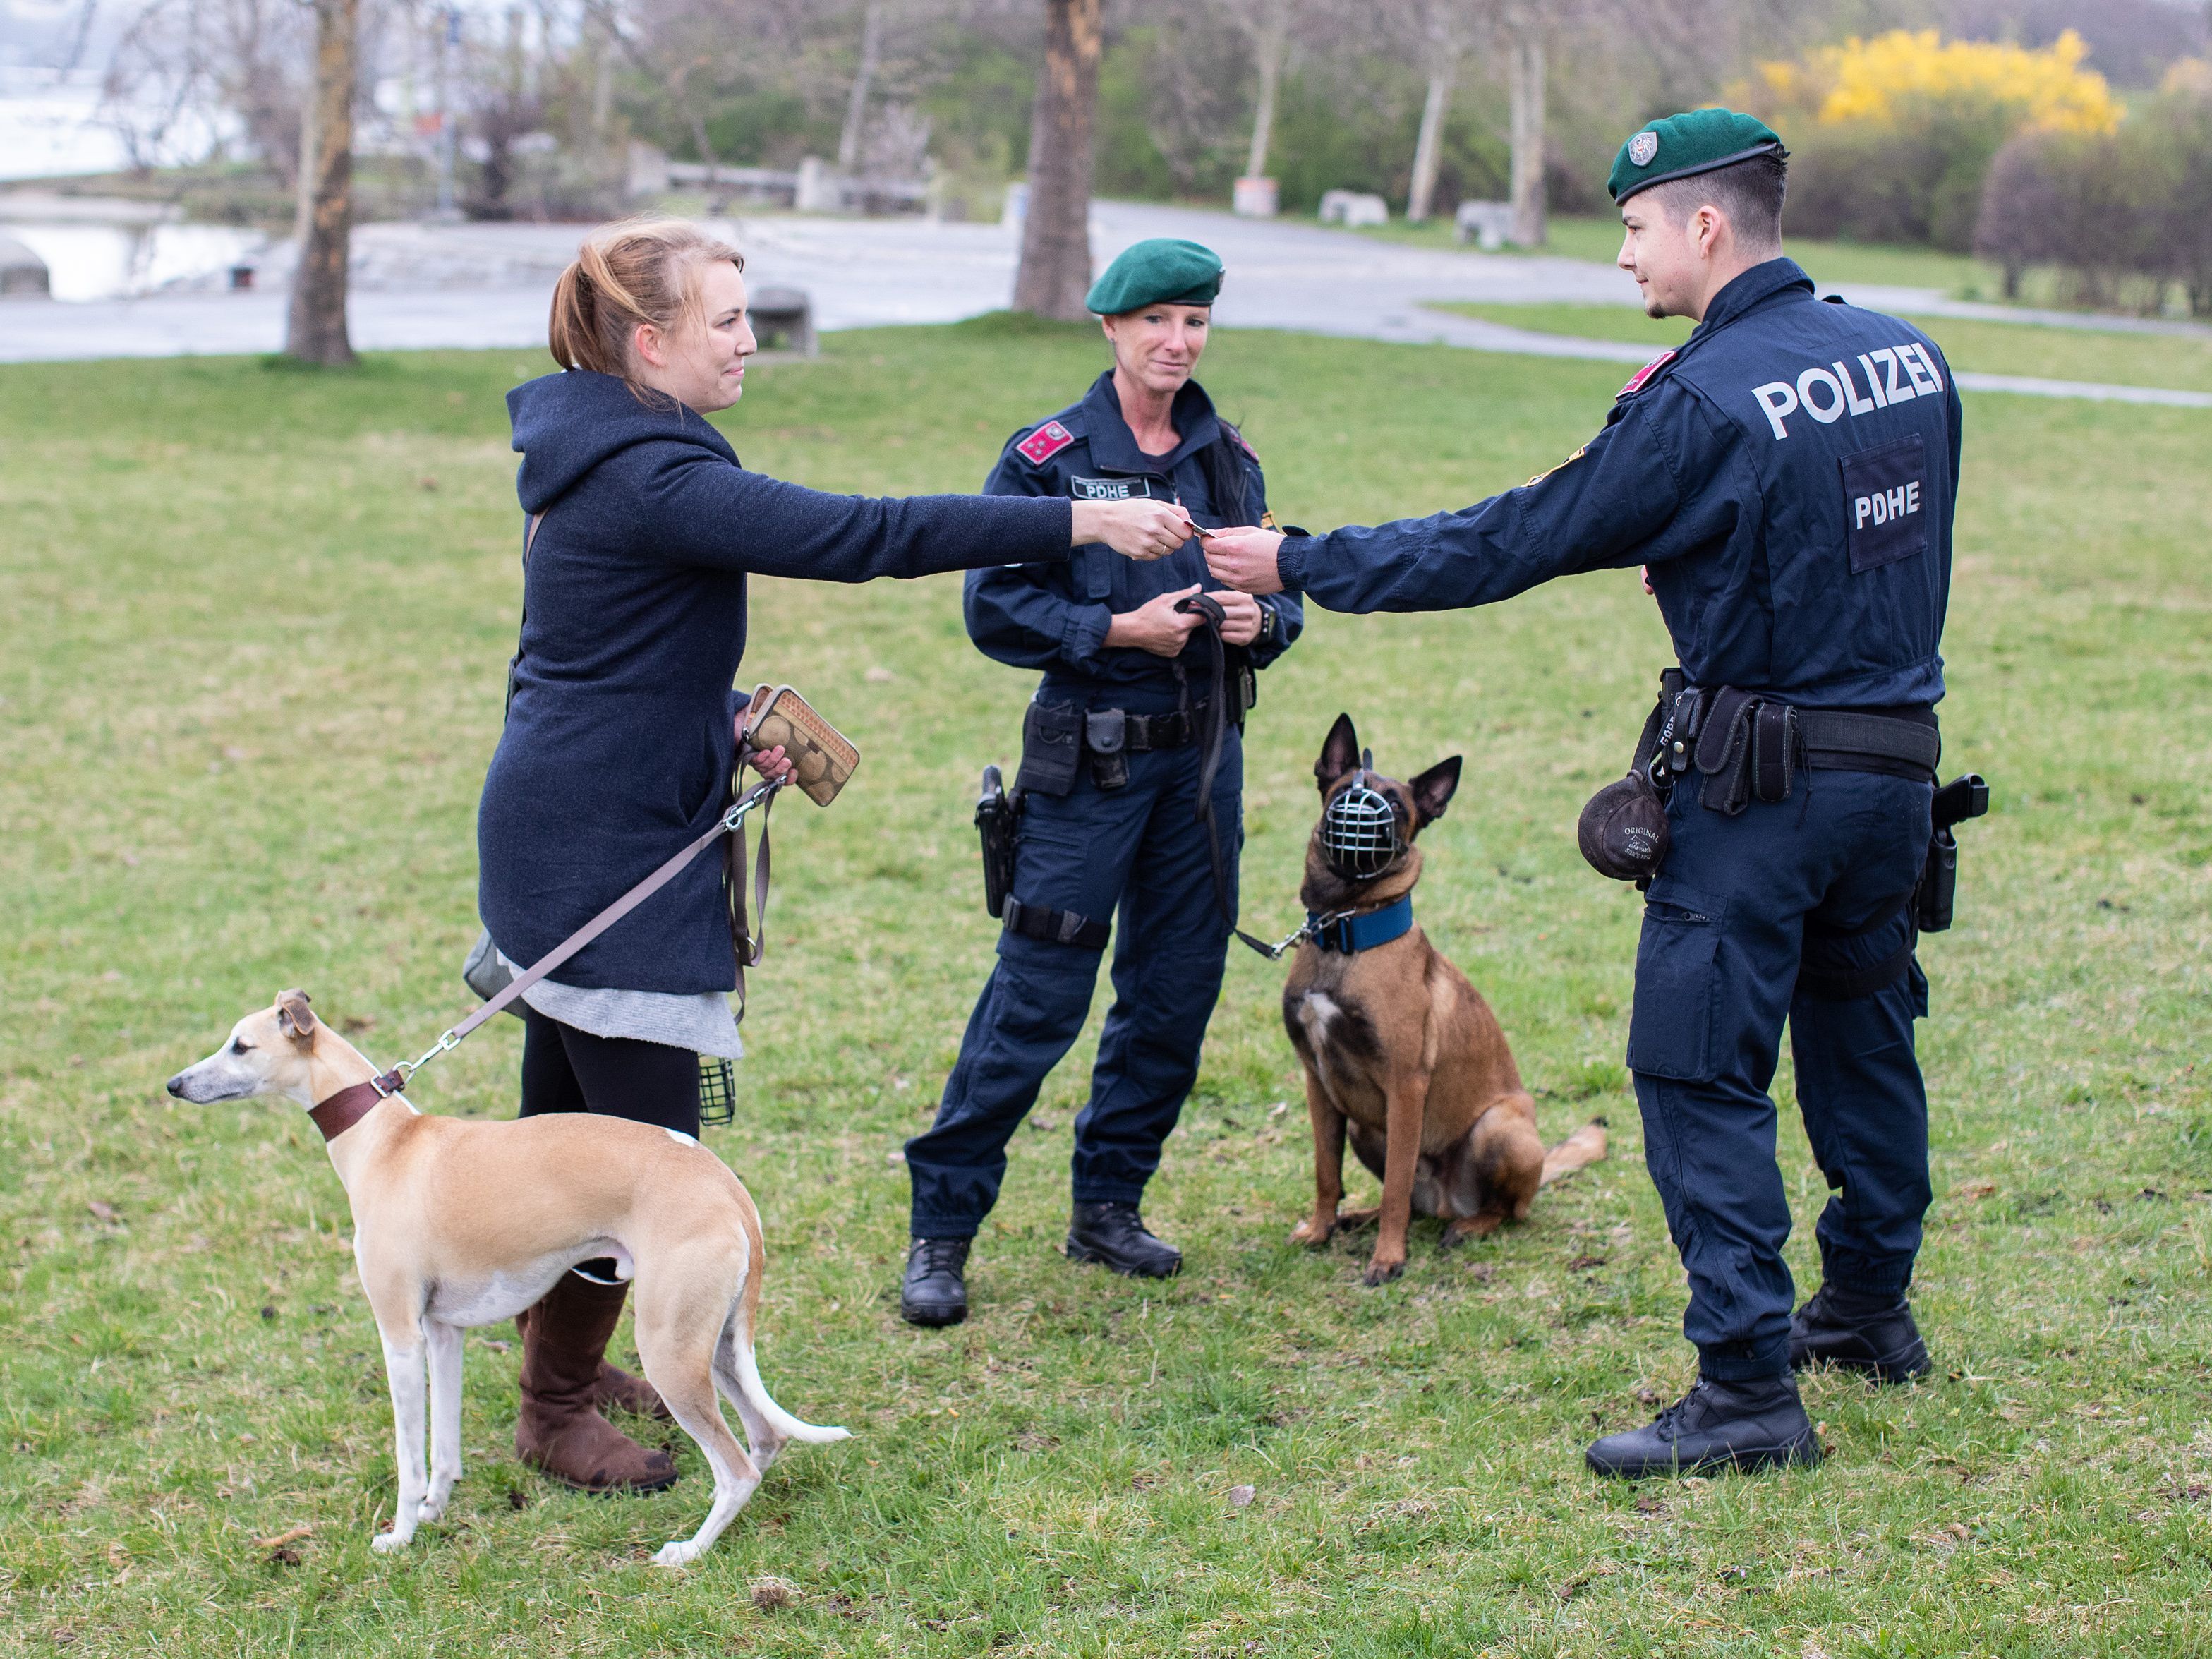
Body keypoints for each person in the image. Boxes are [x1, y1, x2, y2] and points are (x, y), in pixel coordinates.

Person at [1202, 112, 1961, 1478]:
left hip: (1756, 792)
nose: (1622, 255)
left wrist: (1300, 560)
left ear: (1704, 226)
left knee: (1693, 1075)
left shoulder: (1702, 398)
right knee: (1861, 1043)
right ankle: (1863, 1311)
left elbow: (1516, 537)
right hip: (1889, 775)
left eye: (1632, 227)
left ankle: (1742, 1393)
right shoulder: (1904, 355)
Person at [482, 218, 1190, 1493]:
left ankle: (567, 1370)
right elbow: (864, 534)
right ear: (652, 344)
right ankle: (552, 1410)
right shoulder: (649, 474)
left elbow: (602, 658)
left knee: (567, 1129)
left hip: (573, 820)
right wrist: (1074, 528)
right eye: (728, 321)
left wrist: (721, 720)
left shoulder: (609, 444)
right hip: (596, 849)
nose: (751, 341)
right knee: (636, 1162)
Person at [898, 238, 1305, 1327]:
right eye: (1157, 322)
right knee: (1036, 1000)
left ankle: (1108, 1205)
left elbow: (1283, 583)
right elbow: (992, 605)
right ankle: (943, 1227)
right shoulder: (1050, 458)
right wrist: (1115, 627)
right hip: (1091, 762)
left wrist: (1262, 621)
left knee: (1174, 997)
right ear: (1112, 328)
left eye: (1196, 323)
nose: (1179, 343)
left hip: (1202, 767)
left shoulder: (1229, 456)